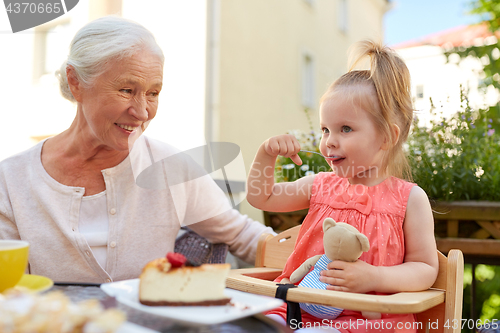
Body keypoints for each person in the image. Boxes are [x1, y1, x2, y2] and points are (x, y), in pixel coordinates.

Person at [0, 16, 274, 283]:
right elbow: (10, 291)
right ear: (76, 82)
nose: (142, 112)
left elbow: (245, 237)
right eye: (126, 90)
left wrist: (314, 250)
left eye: (153, 93)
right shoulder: (11, 180)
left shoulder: (171, 167)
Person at [246, 40, 439, 332]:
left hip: (369, 321)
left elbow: (425, 269)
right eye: (325, 129)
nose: (329, 141)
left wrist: (374, 277)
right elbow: (262, 197)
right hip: (298, 310)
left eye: (345, 129)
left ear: (387, 137)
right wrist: (266, 155)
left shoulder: (409, 199)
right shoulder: (320, 186)